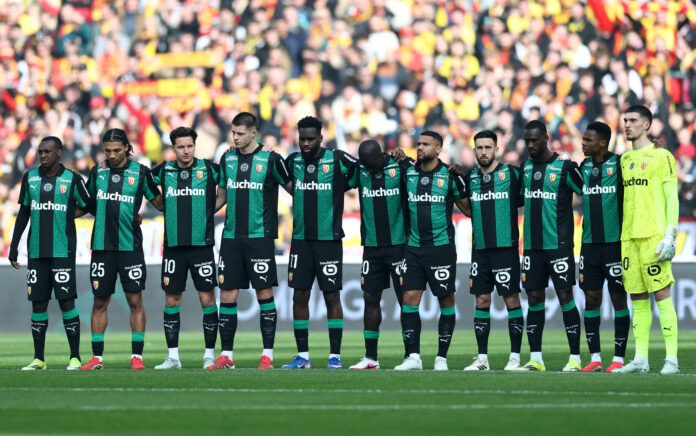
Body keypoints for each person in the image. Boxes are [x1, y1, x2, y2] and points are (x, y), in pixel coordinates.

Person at [211, 112, 291, 370]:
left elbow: (294, 188)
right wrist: (200, 214)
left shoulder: (271, 159)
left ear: (253, 133)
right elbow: (221, 196)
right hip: (231, 236)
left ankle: (267, 355)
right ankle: (226, 356)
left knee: (264, 293)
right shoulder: (227, 158)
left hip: (260, 237)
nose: (235, 137)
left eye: (240, 133)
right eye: (233, 132)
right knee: (227, 294)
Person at [80, 129, 163, 370]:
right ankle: (97, 358)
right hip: (102, 246)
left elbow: (159, 203)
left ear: (127, 147)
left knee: (135, 300)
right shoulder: (98, 172)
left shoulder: (141, 173)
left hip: (130, 247)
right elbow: (87, 204)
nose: (112, 155)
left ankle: (137, 357)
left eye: (117, 150)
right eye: (108, 151)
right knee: (100, 301)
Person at [8, 136, 91, 370]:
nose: (43, 155)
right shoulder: (30, 178)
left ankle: (75, 357)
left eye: (47, 151)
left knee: (66, 302)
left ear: (59, 153)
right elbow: (24, 212)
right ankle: (39, 359)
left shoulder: (73, 179)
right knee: (38, 303)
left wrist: (69, 214)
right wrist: (14, 246)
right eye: (40, 151)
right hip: (36, 252)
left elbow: (90, 204)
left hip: (62, 251)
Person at [282, 116, 358, 369]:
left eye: (311, 139)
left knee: (331, 296)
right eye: (302, 138)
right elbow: (276, 174)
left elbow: (362, 170)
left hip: (329, 240)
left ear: (321, 138)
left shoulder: (337, 159)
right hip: (301, 241)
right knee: (299, 296)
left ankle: (335, 356)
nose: (306, 143)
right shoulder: (292, 161)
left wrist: (340, 187)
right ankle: (303, 356)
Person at [613, 105, 680, 374]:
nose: (627, 125)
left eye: (633, 120)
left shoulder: (662, 156)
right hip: (629, 237)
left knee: (662, 295)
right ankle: (641, 359)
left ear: (647, 125)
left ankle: (672, 360)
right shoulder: (624, 159)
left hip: (653, 235)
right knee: (637, 298)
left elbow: (672, 197)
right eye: (625, 120)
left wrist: (670, 235)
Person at [394, 131, 467, 371]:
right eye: (418, 143)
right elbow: (390, 162)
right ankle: (413, 357)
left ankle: (441, 358)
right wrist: (397, 154)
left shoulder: (450, 176)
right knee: (408, 299)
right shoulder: (408, 171)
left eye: (426, 144)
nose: (420, 147)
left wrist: (463, 178)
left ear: (438, 149)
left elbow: (468, 210)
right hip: (413, 248)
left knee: (446, 300)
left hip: (441, 248)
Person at [150, 126, 221, 370]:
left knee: (207, 298)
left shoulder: (210, 169)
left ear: (195, 145)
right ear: (173, 148)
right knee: (172, 300)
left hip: (202, 247)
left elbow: (231, 178)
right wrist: (160, 204)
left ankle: (209, 355)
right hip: (173, 247)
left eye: (190, 146)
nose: (186, 151)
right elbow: (140, 180)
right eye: (181, 147)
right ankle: (173, 357)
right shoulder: (163, 170)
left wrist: (209, 210)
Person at [517, 120, 584, 372]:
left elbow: (588, 191)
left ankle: (575, 358)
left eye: (535, 140)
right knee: (534, 298)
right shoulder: (525, 168)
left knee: (565, 295)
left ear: (546, 137)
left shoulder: (565, 167)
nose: (530, 145)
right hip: (532, 247)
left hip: (559, 245)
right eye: (527, 141)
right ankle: (536, 359)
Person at [460, 130, 525, 371]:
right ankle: (482, 359)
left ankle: (515, 358)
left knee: (511, 299)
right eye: (479, 148)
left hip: (505, 248)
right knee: (482, 300)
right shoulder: (470, 177)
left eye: (488, 147)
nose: (484, 152)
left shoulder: (512, 174)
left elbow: (524, 199)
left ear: (497, 149)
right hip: (480, 249)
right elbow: (468, 209)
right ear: (474, 150)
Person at [347, 139, 408, 370]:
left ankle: (411, 355)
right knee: (370, 298)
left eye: (371, 165)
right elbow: (339, 183)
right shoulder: (360, 170)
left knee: (406, 300)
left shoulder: (400, 166)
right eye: (365, 165)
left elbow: (425, 173)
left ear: (381, 156)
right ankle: (371, 357)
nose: (368, 170)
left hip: (399, 245)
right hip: (372, 248)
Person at [577, 122, 630, 373]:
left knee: (618, 298)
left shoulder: (619, 164)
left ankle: (618, 359)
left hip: (614, 245)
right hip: (589, 246)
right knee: (591, 299)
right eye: (583, 139)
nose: (583, 144)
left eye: (588, 140)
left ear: (602, 142)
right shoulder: (583, 167)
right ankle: (595, 358)